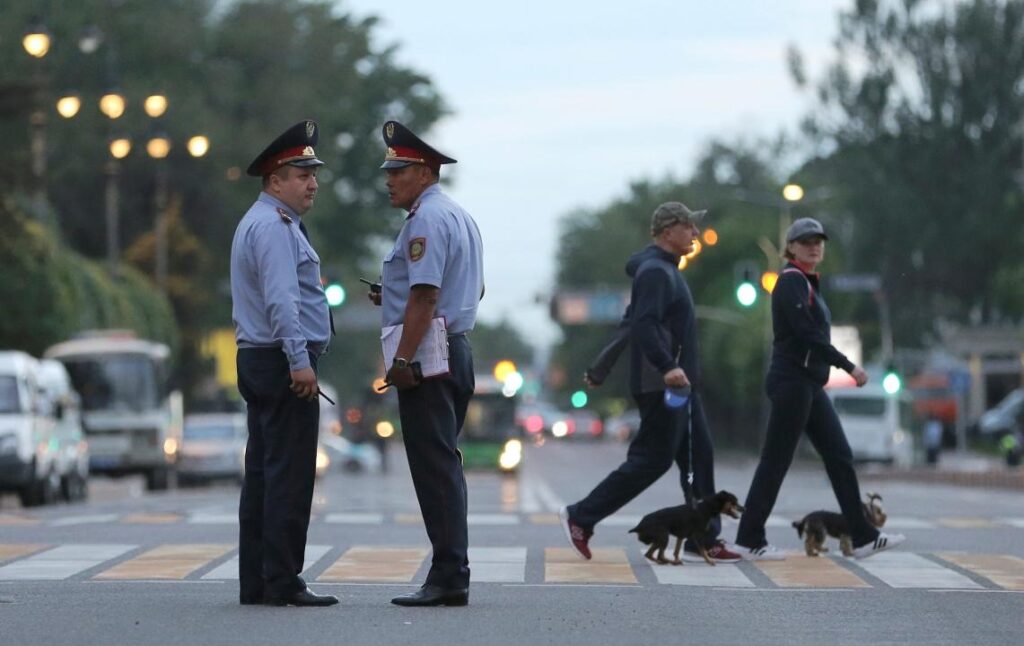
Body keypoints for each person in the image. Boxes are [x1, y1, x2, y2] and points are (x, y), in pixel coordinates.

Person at [559, 202, 740, 564]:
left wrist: (600, 367)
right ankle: (581, 515)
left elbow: (629, 322)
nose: (694, 233)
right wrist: (667, 366)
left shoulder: (667, 271)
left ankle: (703, 537)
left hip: (682, 387)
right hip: (663, 385)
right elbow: (643, 324)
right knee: (651, 460)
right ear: (667, 230)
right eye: (688, 226)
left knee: (699, 457)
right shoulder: (656, 272)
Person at [731, 217, 905, 560]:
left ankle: (863, 535)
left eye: (819, 241)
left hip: (809, 384)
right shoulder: (790, 282)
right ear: (791, 248)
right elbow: (807, 334)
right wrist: (848, 365)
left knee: (839, 456)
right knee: (776, 461)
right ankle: (749, 538)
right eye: (806, 241)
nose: (814, 246)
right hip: (792, 383)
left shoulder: (807, 283)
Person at [368, 120, 484, 607]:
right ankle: (450, 570)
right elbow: (468, 290)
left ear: (421, 170)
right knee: (444, 465)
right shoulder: (458, 215)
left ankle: (448, 576)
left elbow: (425, 295)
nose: (389, 179)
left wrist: (401, 360)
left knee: (434, 469)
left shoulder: (425, 221)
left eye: (397, 170)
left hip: (428, 359)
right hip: (455, 349)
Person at [230, 120, 338, 607]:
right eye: (301, 173)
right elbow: (281, 301)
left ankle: (257, 580)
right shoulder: (274, 228)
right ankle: (284, 581)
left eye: (313, 173)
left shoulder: (261, 222)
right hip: (279, 361)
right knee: (289, 477)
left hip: (259, 359)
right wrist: (299, 360)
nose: (312, 181)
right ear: (275, 180)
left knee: (263, 476)